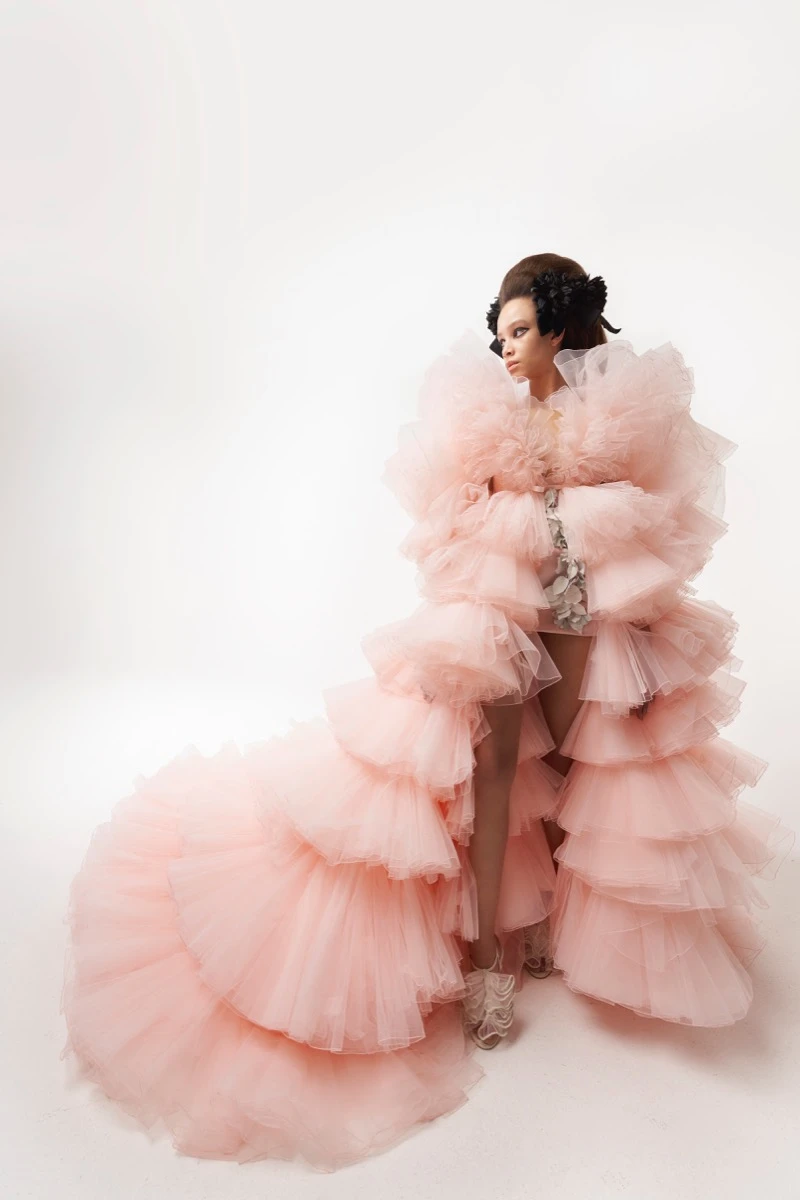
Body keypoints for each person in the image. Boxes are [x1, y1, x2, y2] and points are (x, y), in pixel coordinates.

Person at [61, 252, 794, 1172]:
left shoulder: (617, 413)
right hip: (499, 617)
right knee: (495, 775)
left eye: (521, 330)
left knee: (573, 759)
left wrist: (639, 624)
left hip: (587, 620)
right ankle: (486, 958)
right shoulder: (487, 419)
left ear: (560, 327)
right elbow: (446, 524)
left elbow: (660, 523)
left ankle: (546, 926)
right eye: (500, 332)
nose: (506, 347)